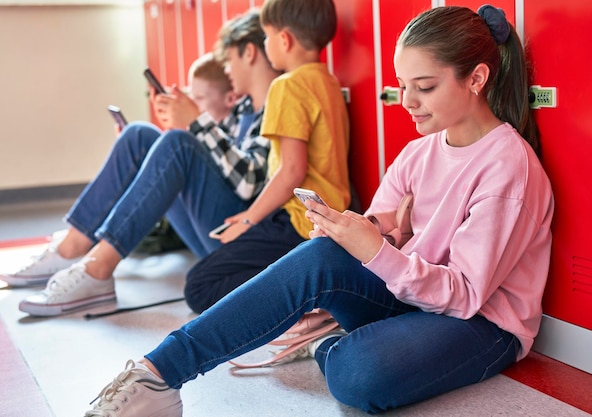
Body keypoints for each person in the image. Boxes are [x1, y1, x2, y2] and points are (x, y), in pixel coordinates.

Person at [83, 4, 554, 416]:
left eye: (424, 87)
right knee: (319, 258)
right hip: (415, 295)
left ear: (476, 78)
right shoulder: (420, 151)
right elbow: (382, 223)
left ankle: (331, 346)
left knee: (358, 376)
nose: (406, 102)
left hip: (482, 325)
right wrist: (362, 231)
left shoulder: (508, 168)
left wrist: (378, 250)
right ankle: (157, 375)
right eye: (402, 85)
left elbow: (467, 296)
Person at [5, 25, 280, 316]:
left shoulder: (277, 105)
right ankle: (71, 248)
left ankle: (97, 270)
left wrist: (195, 124)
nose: (226, 69)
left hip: (238, 236)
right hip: (213, 226)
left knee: (177, 144)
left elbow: (249, 182)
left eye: (228, 60)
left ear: (249, 54)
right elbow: (216, 165)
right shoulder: (241, 109)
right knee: (139, 136)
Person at [181, 0, 351, 314]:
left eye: (267, 38)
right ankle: (307, 285)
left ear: (283, 40)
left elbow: (291, 171)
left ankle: (309, 297)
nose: (265, 45)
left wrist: (248, 219)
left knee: (199, 286)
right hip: (326, 221)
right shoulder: (326, 81)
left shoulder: (286, 86)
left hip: (296, 222)